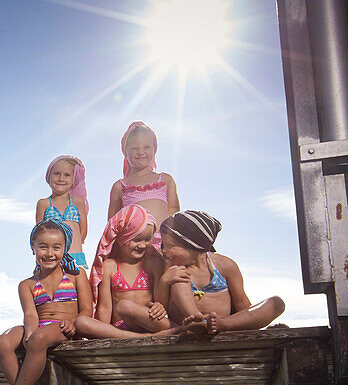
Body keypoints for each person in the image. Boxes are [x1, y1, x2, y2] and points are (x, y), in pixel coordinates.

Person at [0, 220, 92, 385]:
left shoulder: (76, 276)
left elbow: (86, 310)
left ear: (65, 249)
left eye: (56, 247)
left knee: (37, 339)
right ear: (33, 247)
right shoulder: (27, 284)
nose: (49, 253)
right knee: (3, 342)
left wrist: (74, 324)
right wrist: (29, 331)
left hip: (66, 330)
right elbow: (30, 315)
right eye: (43, 246)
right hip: (41, 328)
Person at [156, 210, 286, 335]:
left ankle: (222, 324)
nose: (165, 251)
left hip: (222, 323)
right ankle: (197, 320)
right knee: (178, 277)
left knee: (276, 303)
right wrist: (164, 281)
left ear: (195, 245)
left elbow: (242, 304)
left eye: (171, 246)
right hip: (189, 324)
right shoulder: (173, 267)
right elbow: (161, 305)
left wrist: (248, 322)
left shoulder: (225, 266)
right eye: (164, 245)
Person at [75, 204, 190, 338]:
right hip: (119, 328)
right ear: (121, 238)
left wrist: (159, 306)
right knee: (80, 322)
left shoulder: (153, 264)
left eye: (147, 240)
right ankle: (142, 338)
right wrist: (102, 329)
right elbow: (105, 307)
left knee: (126, 307)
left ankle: (179, 329)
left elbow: (160, 301)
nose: (142, 245)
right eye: (136, 240)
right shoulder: (109, 266)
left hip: (150, 322)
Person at [107, 122, 180, 253]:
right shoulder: (120, 186)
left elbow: (174, 209)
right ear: (125, 152)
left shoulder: (165, 180)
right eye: (134, 148)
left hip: (164, 243)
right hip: (134, 245)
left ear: (154, 149)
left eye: (146, 147)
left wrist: (169, 235)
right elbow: (112, 222)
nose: (140, 152)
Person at [35, 155, 88, 268]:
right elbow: (38, 234)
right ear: (49, 176)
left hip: (74, 255)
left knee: (75, 284)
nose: (61, 178)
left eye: (67, 175)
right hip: (50, 258)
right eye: (57, 174)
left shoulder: (78, 202)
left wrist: (74, 247)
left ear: (73, 179)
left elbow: (82, 230)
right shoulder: (43, 203)